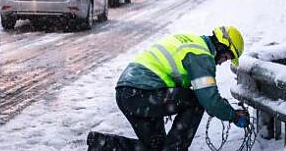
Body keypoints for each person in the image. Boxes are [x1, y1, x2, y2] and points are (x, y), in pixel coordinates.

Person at [87, 26, 249, 151]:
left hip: (127, 93)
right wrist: (233, 115)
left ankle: (102, 144)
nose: (221, 62)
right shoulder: (202, 55)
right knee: (196, 101)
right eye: (226, 57)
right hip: (143, 93)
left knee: (155, 147)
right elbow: (208, 99)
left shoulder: (191, 41)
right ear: (221, 46)